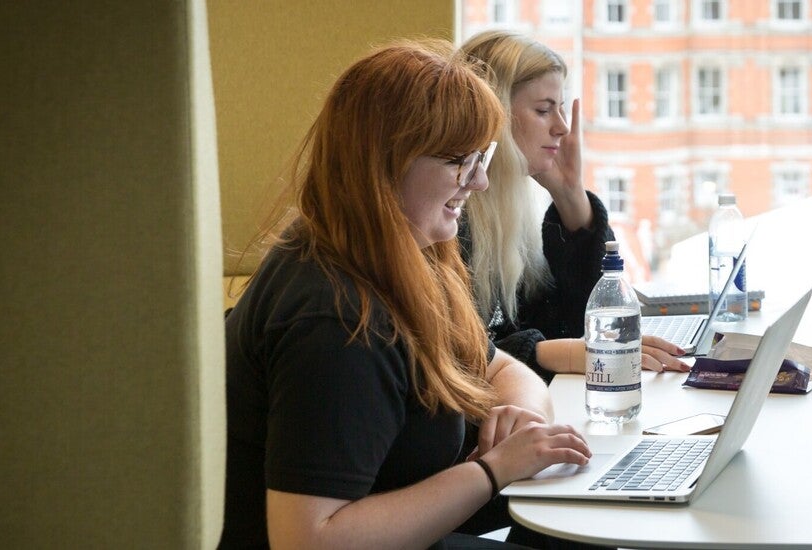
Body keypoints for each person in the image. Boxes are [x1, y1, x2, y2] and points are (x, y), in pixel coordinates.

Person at [220, 40, 592, 549]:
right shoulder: (335, 318)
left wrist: (519, 415)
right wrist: (492, 470)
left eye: (481, 157)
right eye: (461, 162)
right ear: (387, 163)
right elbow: (307, 540)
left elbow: (501, 368)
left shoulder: (406, 255)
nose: (480, 181)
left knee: (575, 518)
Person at [459, 30, 687, 379]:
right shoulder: (449, 217)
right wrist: (563, 353)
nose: (562, 127)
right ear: (495, 113)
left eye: (561, 108)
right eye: (543, 110)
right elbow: (456, 358)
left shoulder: (506, 212)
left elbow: (568, 319)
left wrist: (569, 194)